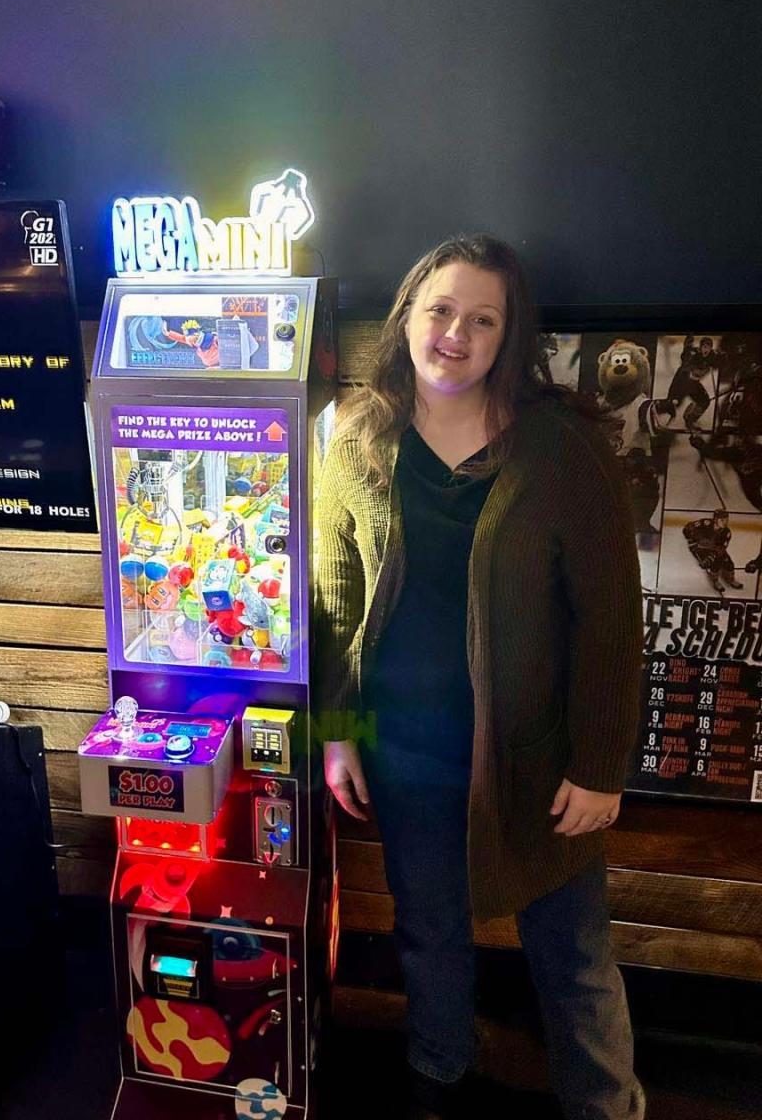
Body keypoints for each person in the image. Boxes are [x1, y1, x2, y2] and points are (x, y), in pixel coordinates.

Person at [314, 235, 645, 1120]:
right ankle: (437, 1078)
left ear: (508, 336)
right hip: (409, 757)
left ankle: (607, 1107)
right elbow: (334, 602)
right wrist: (336, 737)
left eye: (482, 319)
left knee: (572, 959)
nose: (456, 332)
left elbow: (611, 621)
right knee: (428, 938)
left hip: (540, 761)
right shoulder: (355, 439)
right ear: (408, 319)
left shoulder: (563, 448)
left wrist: (601, 764)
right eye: (441, 310)